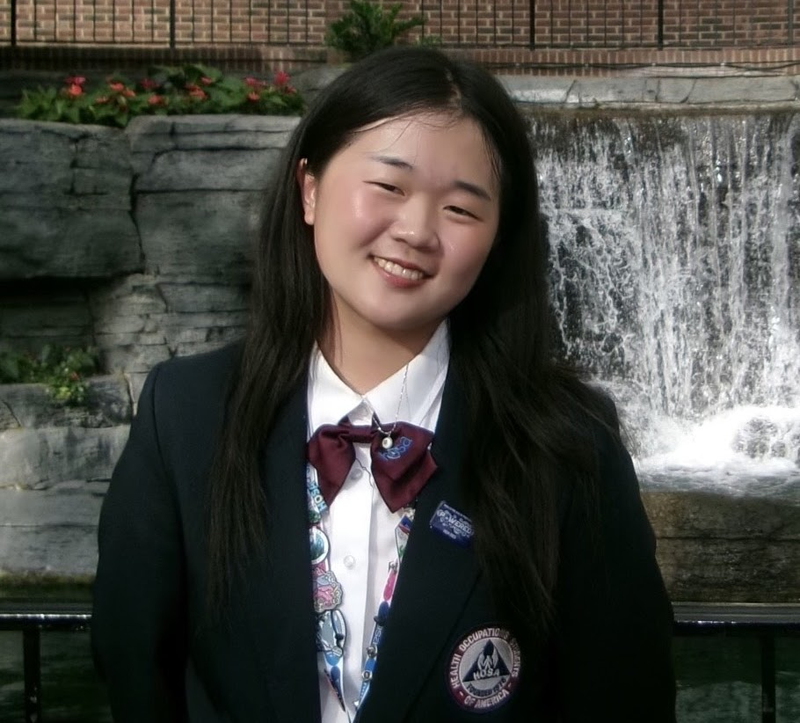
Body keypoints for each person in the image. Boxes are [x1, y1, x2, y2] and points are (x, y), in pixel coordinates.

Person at [92, 46, 676, 722]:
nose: (417, 231)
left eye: (461, 209)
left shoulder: (566, 445)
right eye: (389, 186)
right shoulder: (185, 416)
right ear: (309, 188)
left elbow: (624, 694)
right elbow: (137, 672)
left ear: (496, 239)